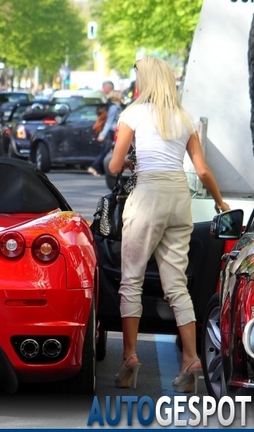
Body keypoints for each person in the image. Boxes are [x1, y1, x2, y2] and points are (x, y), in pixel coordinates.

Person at [108, 56, 230, 392]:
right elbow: (202, 171)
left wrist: (127, 159)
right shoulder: (183, 118)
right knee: (177, 285)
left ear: (145, 81)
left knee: (131, 280)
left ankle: (130, 356)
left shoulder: (132, 114)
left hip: (148, 194)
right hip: (179, 198)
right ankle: (190, 358)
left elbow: (115, 166)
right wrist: (220, 202)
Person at [88, 91, 124, 176]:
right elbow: (109, 122)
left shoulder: (114, 106)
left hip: (112, 131)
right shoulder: (114, 107)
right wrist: (103, 134)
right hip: (111, 131)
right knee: (106, 150)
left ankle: (98, 169)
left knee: (107, 150)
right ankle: (93, 167)